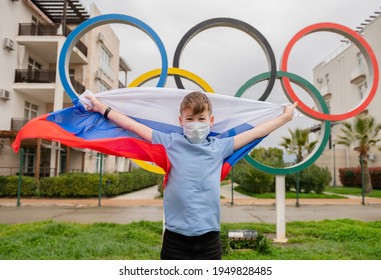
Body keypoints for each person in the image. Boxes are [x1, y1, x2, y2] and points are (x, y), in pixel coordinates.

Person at [85, 91, 297, 260]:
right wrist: (101, 108)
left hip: (210, 239)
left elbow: (257, 131)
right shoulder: (169, 142)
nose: (195, 123)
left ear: (211, 120)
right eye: (190, 118)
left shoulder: (221, 147)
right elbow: (132, 125)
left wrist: (285, 117)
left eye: (201, 118)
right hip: (175, 240)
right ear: (181, 120)